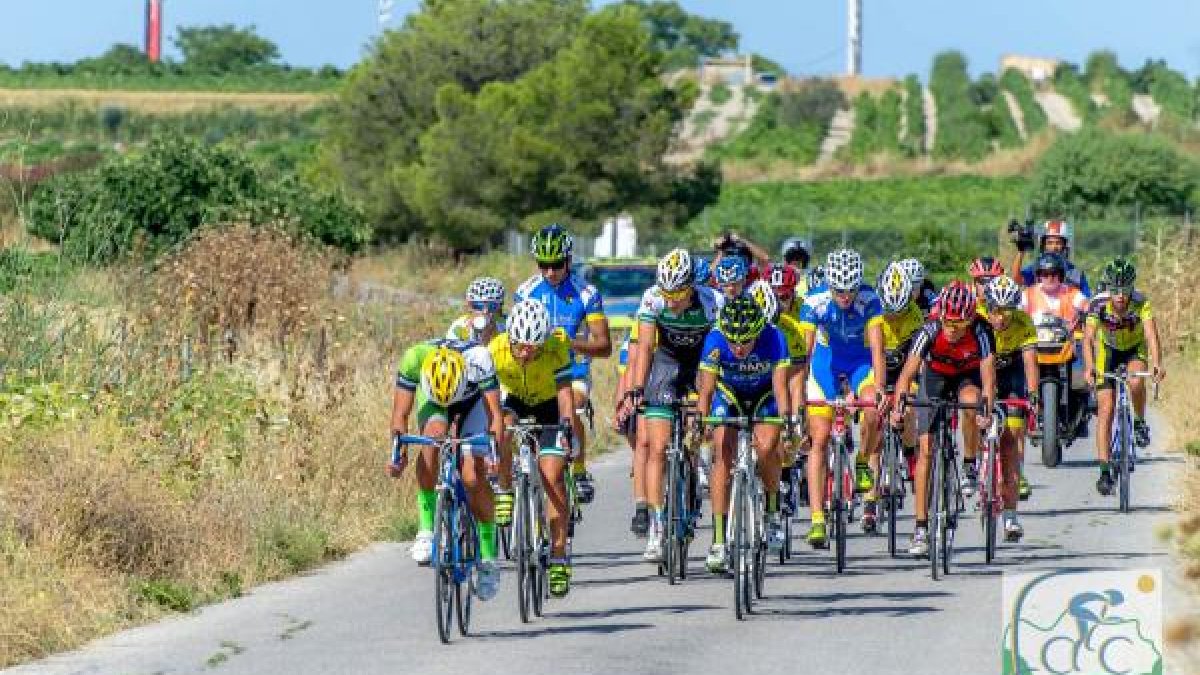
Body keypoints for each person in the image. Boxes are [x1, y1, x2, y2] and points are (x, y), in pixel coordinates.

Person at [624, 248, 724, 563]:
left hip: (701, 365)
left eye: (678, 293)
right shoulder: (652, 300)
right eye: (666, 292)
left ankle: (698, 466)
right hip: (666, 364)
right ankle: (656, 528)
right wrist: (637, 390)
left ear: (692, 287)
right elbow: (644, 348)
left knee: (704, 426)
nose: (671, 300)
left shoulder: (712, 303)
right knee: (657, 447)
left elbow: (720, 351)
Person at [390, 338, 505, 600]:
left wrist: (493, 454)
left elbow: (496, 416)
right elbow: (400, 415)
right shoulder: (414, 359)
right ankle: (427, 529)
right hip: (434, 400)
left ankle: (488, 558)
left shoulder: (479, 359)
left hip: (473, 403)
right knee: (433, 436)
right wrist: (398, 454)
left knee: (473, 476)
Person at [890, 281, 996, 557]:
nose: (951, 330)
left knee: (973, 402)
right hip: (935, 378)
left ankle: (970, 463)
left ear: (970, 319)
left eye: (958, 325)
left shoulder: (982, 330)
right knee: (925, 450)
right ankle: (921, 528)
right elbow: (907, 375)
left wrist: (987, 410)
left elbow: (988, 379)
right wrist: (898, 406)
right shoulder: (930, 329)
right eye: (948, 322)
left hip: (966, 377)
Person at [488, 300, 579, 597]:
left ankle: (558, 555)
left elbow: (565, 395)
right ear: (510, 338)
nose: (526, 353)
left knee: (552, 476)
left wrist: (566, 426)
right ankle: (504, 489)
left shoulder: (555, 348)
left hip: (549, 407)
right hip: (513, 401)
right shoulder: (495, 349)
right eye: (520, 347)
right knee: (500, 429)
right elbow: (487, 399)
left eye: (533, 347)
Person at [516, 224, 611, 505]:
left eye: (556, 265)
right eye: (543, 265)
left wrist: (569, 343)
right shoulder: (526, 291)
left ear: (568, 260)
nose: (549, 272)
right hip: (536, 369)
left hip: (573, 368)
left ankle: (580, 471)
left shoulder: (586, 293)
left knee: (574, 406)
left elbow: (603, 346)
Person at [696, 296, 792, 572]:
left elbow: (781, 387)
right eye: (733, 341)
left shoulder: (774, 338)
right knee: (722, 454)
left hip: (764, 396)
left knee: (766, 446)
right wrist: (701, 421)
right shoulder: (715, 339)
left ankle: (772, 513)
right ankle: (717, 541)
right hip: (729, 396)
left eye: (746, 341)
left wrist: (786, 420)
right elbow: (706, 390)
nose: (738, 348)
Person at [798, 248, 887, 546]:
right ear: (829, 284)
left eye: (850, 290)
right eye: (839, 290)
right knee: (820, 437)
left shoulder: (870, 300)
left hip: (860, 363)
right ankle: (817, 519)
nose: (845, 296)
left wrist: (882, 389)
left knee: (873, 410)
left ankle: (862, 461)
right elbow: (805, 354)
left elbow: (877, 349)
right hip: (825, 365)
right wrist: (799, 398)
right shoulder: (814, 302)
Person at [1082, 258, 1164, 496]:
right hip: (1108, 352)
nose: (1119, 296)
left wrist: (1157, 363)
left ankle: (1139, 422)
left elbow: (1151, 335)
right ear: (1107, 288)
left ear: (1131, 288)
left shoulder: (1141, 302)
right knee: (1106, 408)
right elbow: (1087, 339)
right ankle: (1104, 470)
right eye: (1114, 290)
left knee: (1136, 380)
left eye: (1125, 290)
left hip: (1133, 349)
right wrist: (1088, 367)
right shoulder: (1097, 304)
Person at [981, 275, 1040, 535]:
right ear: (988, 306)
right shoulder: (979, 319)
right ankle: (974, 467)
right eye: (996, 310)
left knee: (1013, 440)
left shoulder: (1024, 322)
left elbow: (1030, 362)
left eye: (1007, 311)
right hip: (984, 371)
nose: (1001, 317)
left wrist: (1034, 394)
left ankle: (1011, 516)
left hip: (1012, 373)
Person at [1022, 252, 1091, 438]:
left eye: (1053, 274)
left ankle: (1082, 412)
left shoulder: (1070, 292)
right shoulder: (1028, 294)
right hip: (1036, 346)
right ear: (1038, 275)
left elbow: (1086, 304)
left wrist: (1090, 309)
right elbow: (1015, 308)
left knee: (1081, 378)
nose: (1049, 278)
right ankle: (1028, 409)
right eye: (1045, 274)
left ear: (1060, 275)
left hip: (1066, 345)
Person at [876, 262, 924, 495]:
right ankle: (870, 498)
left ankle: (909, 450)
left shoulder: (915, 316)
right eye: (889, 311)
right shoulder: (873, 315)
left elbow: (917, 358)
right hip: (877, 368)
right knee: (873, 414)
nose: (894, 317)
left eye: (900, 311)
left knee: (909, 406)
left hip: (905, 367)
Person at [1013, 220, 1091, 294]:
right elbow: (1017, 280)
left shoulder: (1074, 273)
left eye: (1058, 243)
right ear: (1044, 246)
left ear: (1064, 245)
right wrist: (1021, 251)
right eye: (1050, 243)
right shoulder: (1036, 267)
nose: (1054, 247)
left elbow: (1087, 299)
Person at [447, 277, 506, 344]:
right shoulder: (459, 328)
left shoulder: (507, 325)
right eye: (478, 306)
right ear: (469, 307)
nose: (485, 311)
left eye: (492, 306)